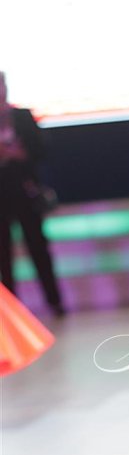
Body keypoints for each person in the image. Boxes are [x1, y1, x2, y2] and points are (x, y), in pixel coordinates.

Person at [0, 72, 65, 318]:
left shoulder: (21, 116)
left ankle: (54, 301)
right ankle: (10, 312)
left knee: (38, 248)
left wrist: (19, 153)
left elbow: (40, 149)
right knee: (3, 255)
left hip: (25, 191)